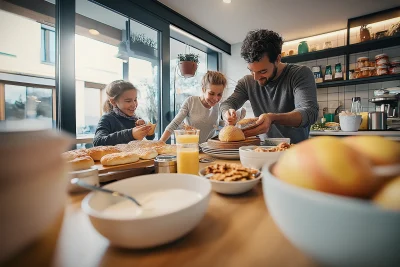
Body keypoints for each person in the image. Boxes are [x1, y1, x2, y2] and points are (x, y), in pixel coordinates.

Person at [221, 29, 318, 144]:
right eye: (251, 71)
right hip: (262, 150)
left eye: (263, 71)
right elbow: (227, 104)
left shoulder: (300, 74)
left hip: (295, 152)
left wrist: (273, 118)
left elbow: (309, 113)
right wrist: (226, 113)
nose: (256, 77)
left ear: (277, 59)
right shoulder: (247, 82)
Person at [161, 71, 243, 144]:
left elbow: (222, 125)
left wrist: (232, 121)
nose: (216, 98)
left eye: (219, 94)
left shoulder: (219, 106)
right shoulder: (191, 102)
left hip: (208, 150)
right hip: (189, 148)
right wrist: (160, 142)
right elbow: (174, 124)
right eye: (211, 93)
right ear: (203, 89)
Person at [93, 80, 154, 146]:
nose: (134, 104)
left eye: (135, 100)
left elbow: (150, 138)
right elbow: (98, 142)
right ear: (113, 102)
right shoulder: (107, 119)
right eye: (128, 101)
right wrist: (131, 134)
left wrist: (148, 132)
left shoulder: (136, 119)